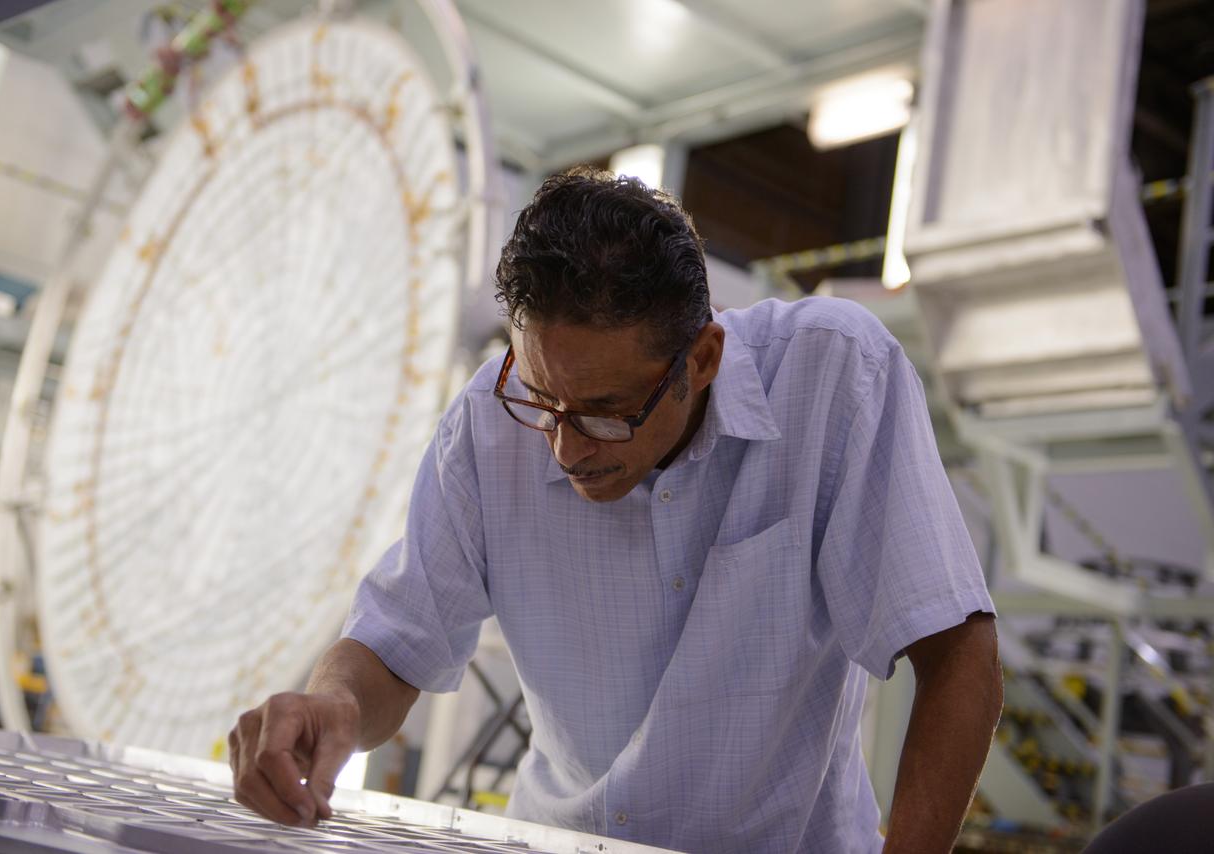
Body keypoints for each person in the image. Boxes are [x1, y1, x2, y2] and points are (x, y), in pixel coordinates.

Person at [228, 168, 1003, 853]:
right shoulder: (488, 426)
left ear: (701, 360)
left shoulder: (832, 377)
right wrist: (332, 703)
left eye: (604, 411)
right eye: (540, 396)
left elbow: (960, 660)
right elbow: (397, 645)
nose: (565, 449)